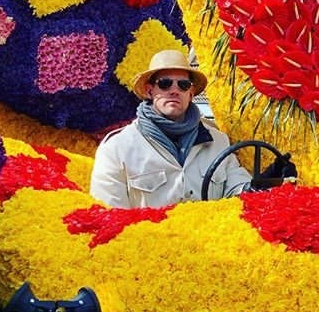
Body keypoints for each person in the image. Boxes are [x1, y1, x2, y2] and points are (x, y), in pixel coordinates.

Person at [89, 49, 254, 208]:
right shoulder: (117, 148)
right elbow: (110, 218)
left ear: (191, 93)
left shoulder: (218, 142)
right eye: (165, 83)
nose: (174, 91)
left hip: (211, 235)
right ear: (149, 91)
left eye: (183, 85)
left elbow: (239, 189)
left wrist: (252, 190)